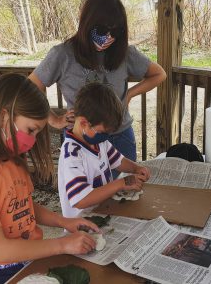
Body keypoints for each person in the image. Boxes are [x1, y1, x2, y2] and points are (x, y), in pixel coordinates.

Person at [0, 73, 99, 284]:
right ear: (4, 117)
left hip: (25, 261)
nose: (31, 141)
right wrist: (62, 244)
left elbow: (24, 205)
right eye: (30, 130)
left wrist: (64, 222)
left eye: (37, 133)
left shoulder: (11, 157)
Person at [29, 0, 166, 167]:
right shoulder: (63, 54)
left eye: (115, 31)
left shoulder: (125, 53)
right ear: (87, 23)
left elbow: (159, 74)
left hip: (120, 135)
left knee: (127, 190)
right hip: (80, 139)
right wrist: (54, 119)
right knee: (87, 192)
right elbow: (32, 84)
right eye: (101, 30)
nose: (108, 37)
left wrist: (129, 94)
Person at [58, 83, 150, 218]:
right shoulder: (72, 155)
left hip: (103, 212)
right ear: (84, 123)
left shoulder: (99, 142)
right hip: (82, 224)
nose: (106, 137)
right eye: (102, 132)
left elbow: (118, 161)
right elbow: (81, 199)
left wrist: (136, 168)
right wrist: (121, 183)